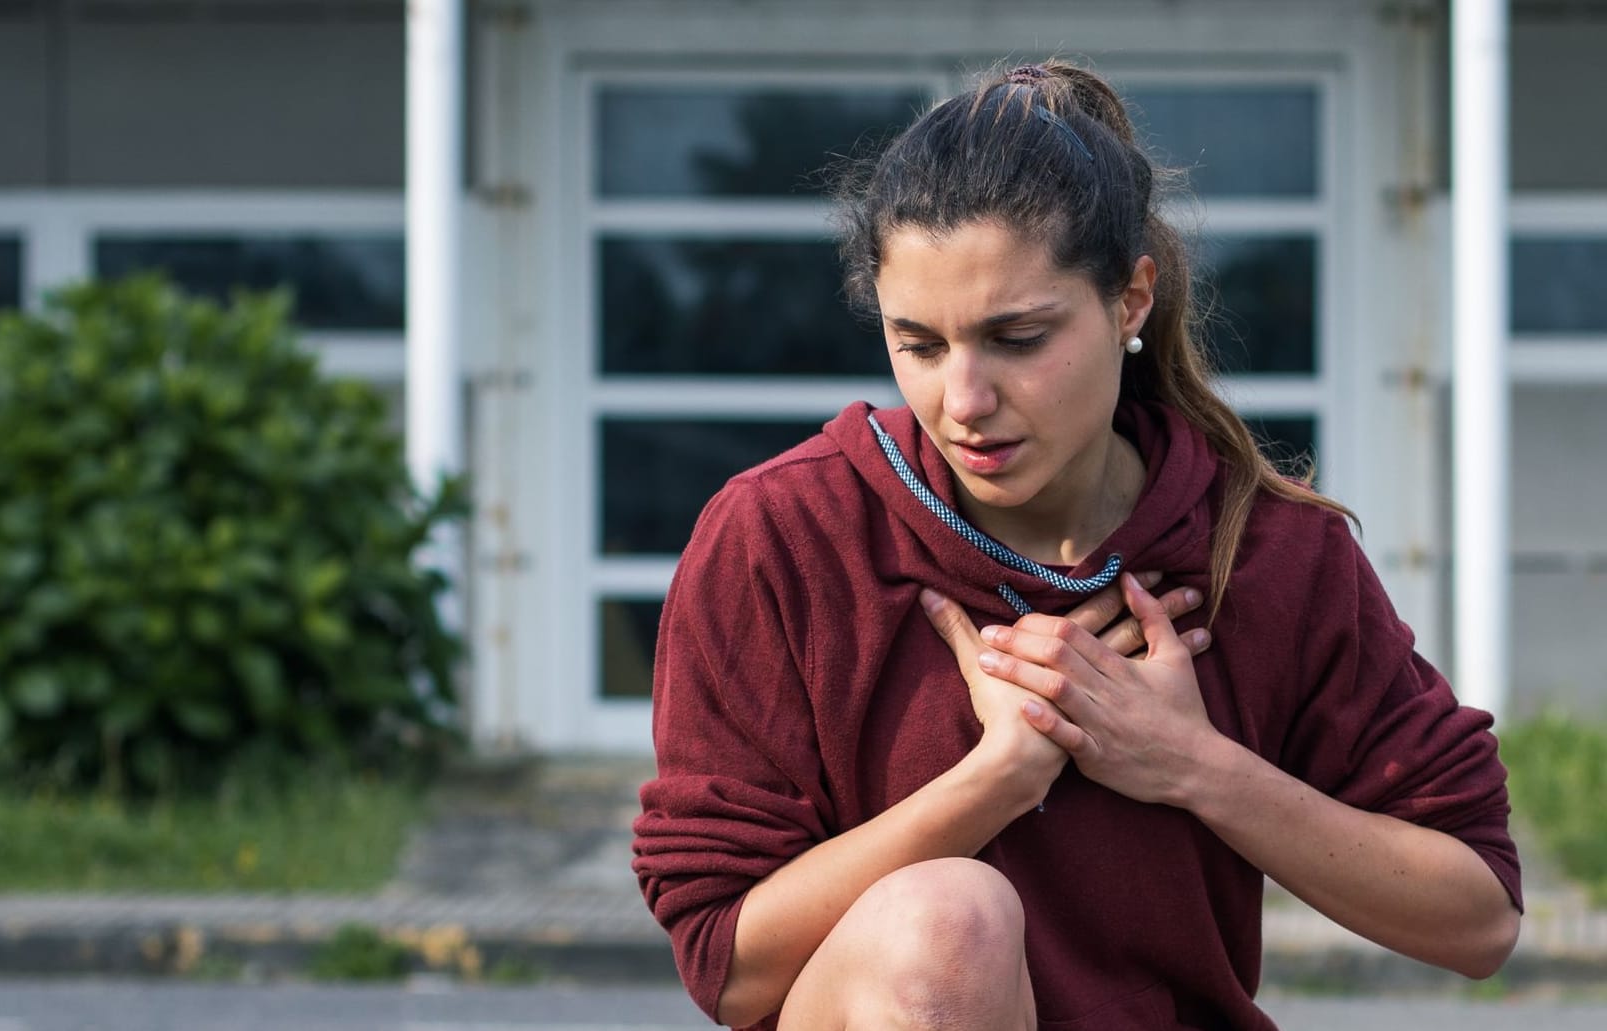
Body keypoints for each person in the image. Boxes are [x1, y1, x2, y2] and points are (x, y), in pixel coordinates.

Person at [630, 59, 1521, 1031]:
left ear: (1129, 301)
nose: (961, 402)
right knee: (944, 922)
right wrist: (995, 777)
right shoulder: (781, 537)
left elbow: (1475, 916)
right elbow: (727, 966)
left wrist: (1191, 761)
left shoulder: (1265, 549)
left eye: (1017, 338)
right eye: (917, 342)